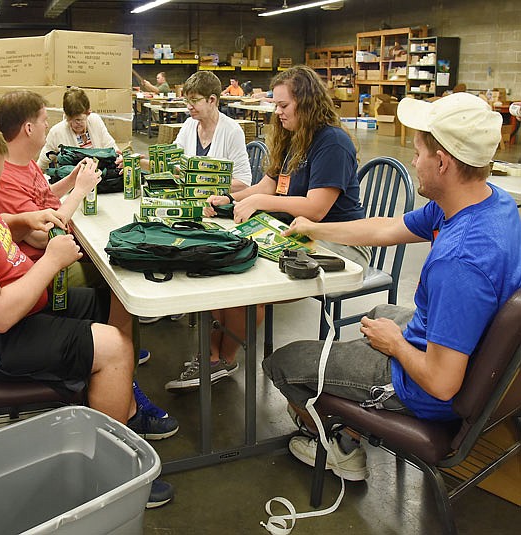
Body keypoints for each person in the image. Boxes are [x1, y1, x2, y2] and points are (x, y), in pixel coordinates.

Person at [0, 114, 176, 507]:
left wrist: (22, 219)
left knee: (116, 298)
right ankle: (112, 480)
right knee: (112, 345)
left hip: (20, 309)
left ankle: (120, 405)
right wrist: (51, 261)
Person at [263, 92, 521, 481]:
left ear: (443, 162)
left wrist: (396, 345)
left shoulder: (461, 261)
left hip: (425, 388)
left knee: (283, 362)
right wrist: (313, 226)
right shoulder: (487, 202)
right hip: (468, 348)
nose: (413, 162)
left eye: (418, 153)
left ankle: (338, 449)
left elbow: (442, 382)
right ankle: (352, 425)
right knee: (377, 314)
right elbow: (387, 227)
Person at [165, 65, 370, 392]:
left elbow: (316, 208)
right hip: (297, 233)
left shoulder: (332, 142)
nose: (277, 112)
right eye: (276, 105)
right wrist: (229, 198)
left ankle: (223, 357)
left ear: (306, 102)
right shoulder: (293, 136)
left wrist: (261, 203)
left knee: (250, 285)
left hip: (337, 244)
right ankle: (213, 351)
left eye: (283, 106)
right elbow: (268, 185)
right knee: (227, 263)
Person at [0, 90, 173, 421]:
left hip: (49, 259)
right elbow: (41, 235)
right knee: (120, 279)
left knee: (117, 262)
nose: (50, 127)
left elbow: (43, 200)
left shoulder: (25, 164)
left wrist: (71, 180)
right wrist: (80, 190)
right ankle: (120, 374)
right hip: (40, 270)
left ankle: (119, 360)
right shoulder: (4, 175)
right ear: (29, 128)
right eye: (45, 120)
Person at [139, 71, 252, 325]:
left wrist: (210, 192)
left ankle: (183, 300)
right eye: (186, 101)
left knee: (189, 243)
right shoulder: (190, 126)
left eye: (194, 101)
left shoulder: (231, 131)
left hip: (217, 211)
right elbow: (175, 165)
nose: (188, 107)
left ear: (212, 100)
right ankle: (171, 297)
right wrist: (141, 162)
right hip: (191, 205)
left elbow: (245, 181)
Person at [36, 87, 120, 171]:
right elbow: (42, 164)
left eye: (78, 120)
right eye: (69, 119)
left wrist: (120, 159)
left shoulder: (95, 121)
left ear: (88, 113)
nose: (74, 124)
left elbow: (111, 148)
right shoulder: (56, 132)